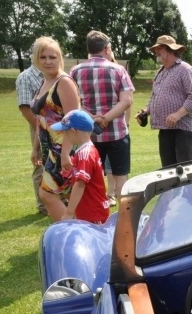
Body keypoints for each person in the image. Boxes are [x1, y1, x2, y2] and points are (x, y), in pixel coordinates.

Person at [69, 30, 134, 208]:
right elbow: (127, 101)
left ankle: (93, 216)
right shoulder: (119, 70)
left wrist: (93, 119)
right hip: (117, 134)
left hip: (88, 136)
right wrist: (105, 118)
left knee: (89, 178)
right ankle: (125, 218)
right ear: (107, 49)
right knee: (121, 178)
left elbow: (73, 103)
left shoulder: (75, 71)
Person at [30, 36, 81, 221]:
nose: (48, 61)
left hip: (63, 149)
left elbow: (74, 121)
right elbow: (40, 120)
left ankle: (69, 236)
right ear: (36, 59)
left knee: (47, 194)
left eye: (52, 57)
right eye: (43, 57)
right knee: (69, 194)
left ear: (60, 57)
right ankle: (84, 233)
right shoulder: (44, 83)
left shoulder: (64, 82)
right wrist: (35, 148)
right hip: (48, 149)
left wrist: (66, 153)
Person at [136, 35, 192, 167]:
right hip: (165, 128)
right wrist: (145, 112)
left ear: (170, 49)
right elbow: (154, 97)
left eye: (159, 49)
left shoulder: (185, 69)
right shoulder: (160, 72)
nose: (156, 52)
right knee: (168, 171)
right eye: (155, 49)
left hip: (184, 128)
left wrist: (178, 114)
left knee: (187, 169)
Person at [51, 109, 110, 223]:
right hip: (91, 211)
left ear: (73, 131)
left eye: (65, 132)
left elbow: (80, 185)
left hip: (93, 214)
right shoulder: (86, 151)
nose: (64, 135)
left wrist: (69, 213)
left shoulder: (85, 154)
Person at [16, 60, 46, 214]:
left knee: (55, 164)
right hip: (39, 127)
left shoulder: (48, 74)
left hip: (53, 127)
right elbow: (25, 108)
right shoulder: (26, 77)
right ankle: (43, 205)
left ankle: (58, 199)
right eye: (42, 55)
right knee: (40, 165)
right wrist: (40, 129)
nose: (46, 60)